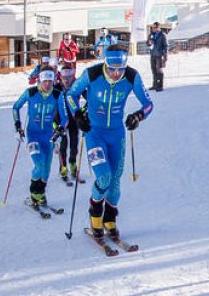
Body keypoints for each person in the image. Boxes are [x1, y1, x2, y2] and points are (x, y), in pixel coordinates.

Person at [65, 45, 153, 239]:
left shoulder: (131, 76)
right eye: (112, 68)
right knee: (103, 177)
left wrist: (138, 116)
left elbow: (148, 104)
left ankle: (110, 218)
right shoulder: (92, 73)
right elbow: (71, 94)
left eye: (120, 68)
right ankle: (95, 214)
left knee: (115, 181)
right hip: (95, 134)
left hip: (117, 135)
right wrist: (78, 115)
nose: (116, 73)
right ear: (105, 63)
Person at [12, 68, 67, 208]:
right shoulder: (31, 93)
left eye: (50, 81)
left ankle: (40, 194)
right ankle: (34, 193)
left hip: (48, 136)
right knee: (39, 165)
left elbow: (65, 117)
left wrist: (60, 130)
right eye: (45, 81)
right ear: (40, 80)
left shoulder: (57, 95)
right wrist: (18, 126)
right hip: (33, 135)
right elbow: (15, 107)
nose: (47, 84)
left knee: (47, 169)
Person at [53, 64, 81, 183]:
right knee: (63, 144)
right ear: (60, 77)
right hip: (61, 119)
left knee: (74, 143)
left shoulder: (77, 86)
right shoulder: (57, 87)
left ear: (73, 76)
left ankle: (73, 165)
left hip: (74, 118)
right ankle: (63, 168)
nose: (66, 81)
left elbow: (89, 97)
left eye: (69, 77)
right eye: (64, 78)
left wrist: (85, 112)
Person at [147, 22, 168, 91]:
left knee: (159, 70)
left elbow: (166, 46)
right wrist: (149, 43)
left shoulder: (162, 35)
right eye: (153, 27)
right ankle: (155, 84)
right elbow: (147, 43)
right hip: (153, 54)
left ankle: (160, 85)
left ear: (158, 27)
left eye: (155, 27)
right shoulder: (151, 34)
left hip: (159, 55)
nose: (153, 29)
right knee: (153, 70)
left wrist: (165, 56)